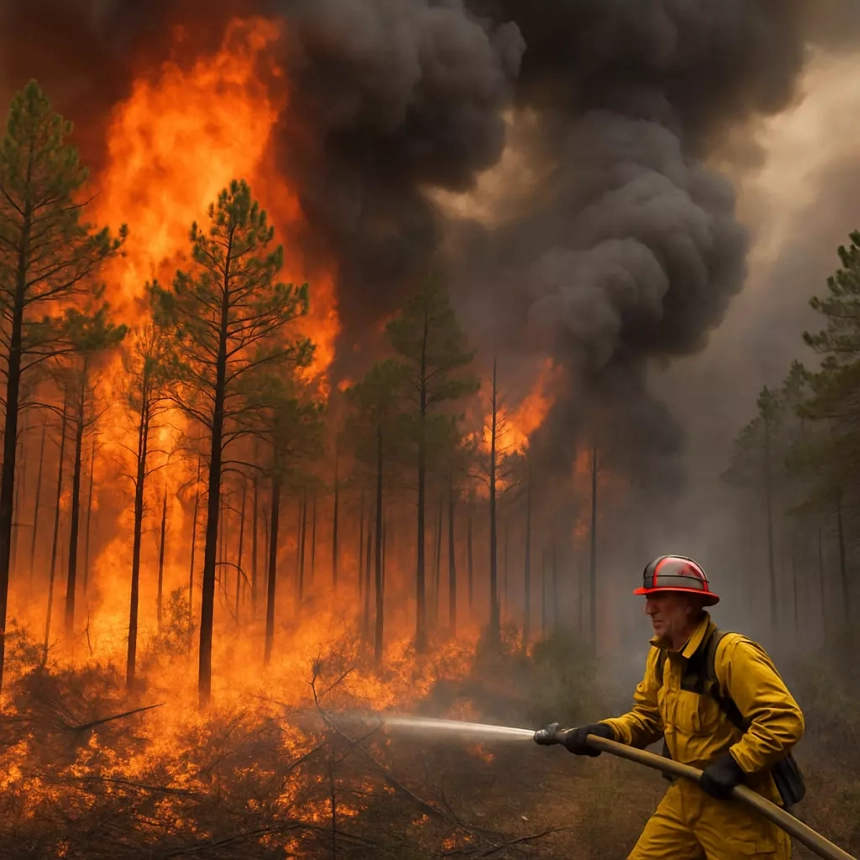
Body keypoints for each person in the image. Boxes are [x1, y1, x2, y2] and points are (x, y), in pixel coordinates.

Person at [539, 554, 804, 859]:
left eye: (659, 598)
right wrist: (605, 732)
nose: (649, 609)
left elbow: (784, 720)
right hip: (685, 799)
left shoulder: (732, 654)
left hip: (741, 809)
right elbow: (648, 717)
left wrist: (735, 764)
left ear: (689, 603)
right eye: (648, 599)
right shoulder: (662, 656)